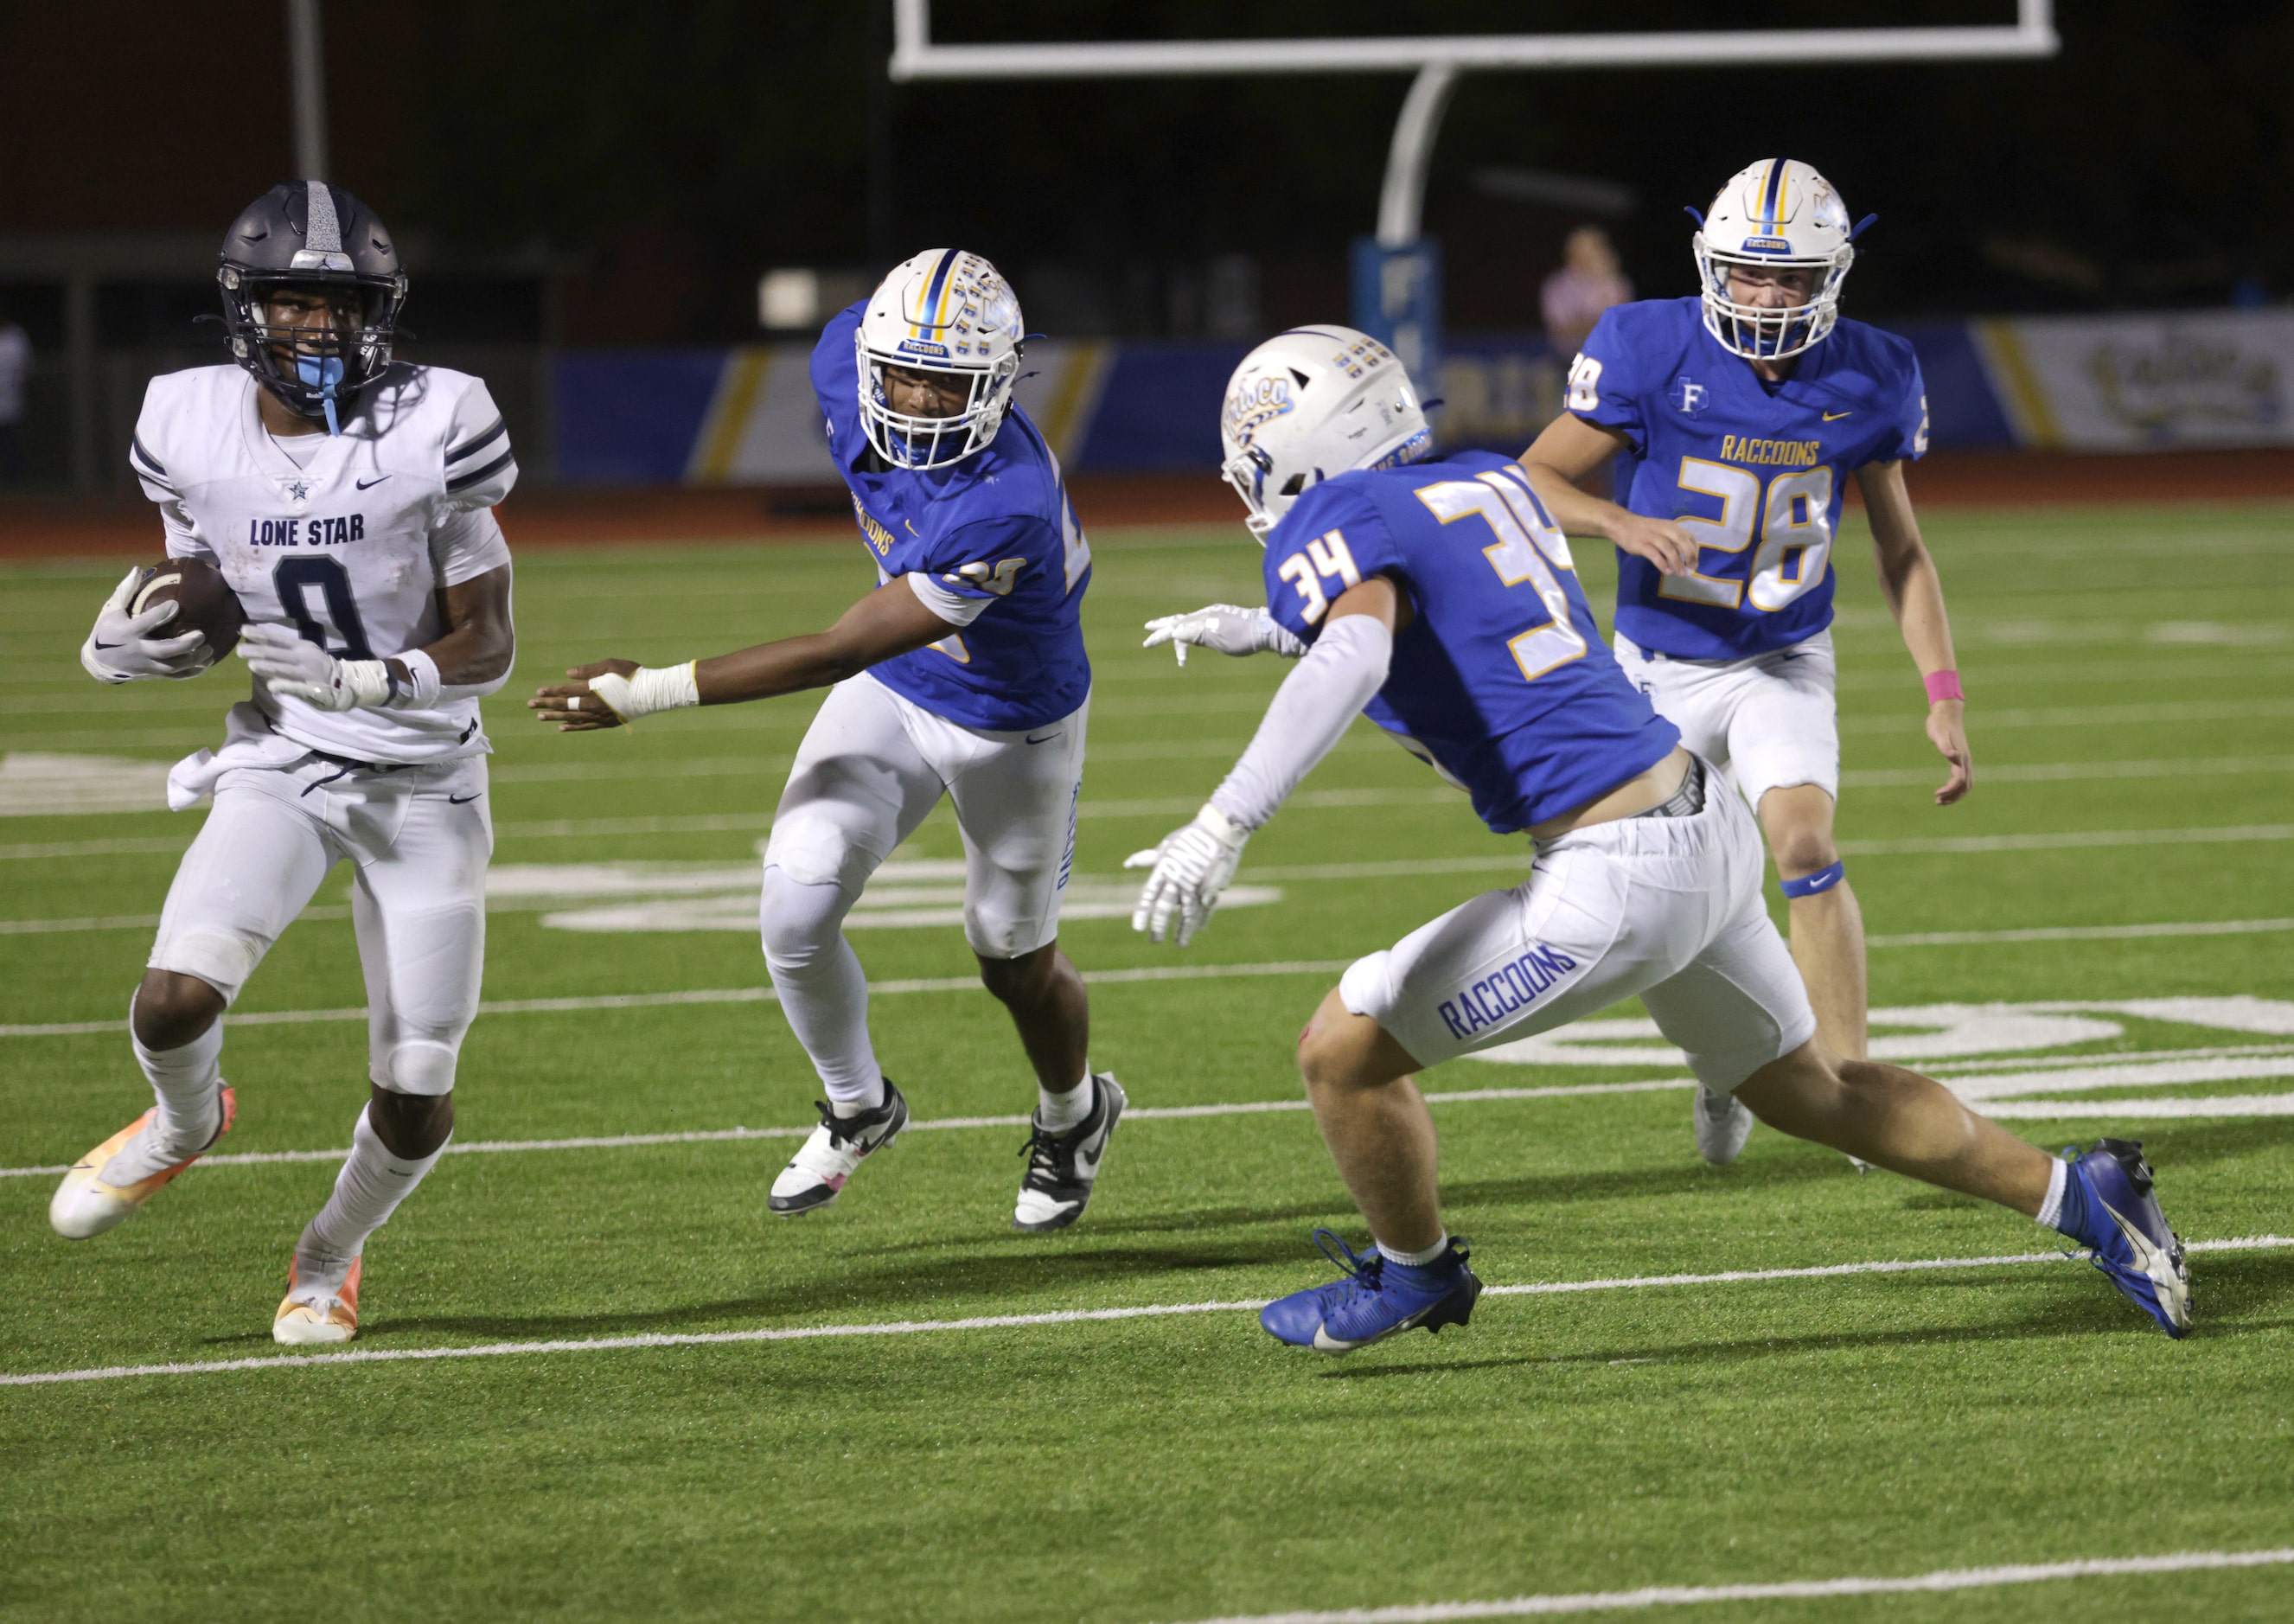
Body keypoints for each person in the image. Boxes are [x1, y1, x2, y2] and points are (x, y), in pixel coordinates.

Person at [1131, 324, 2189, 1352]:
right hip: (1703, 821)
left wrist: (1223, 821)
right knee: (1817, 1092)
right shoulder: (1488, 482)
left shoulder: (1343, 522)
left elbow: (1358, 648)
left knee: (1341, 1053)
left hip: (1618, 873)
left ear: (1301, 454)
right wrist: (1268, 627)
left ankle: (1417, 1272)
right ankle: (2088, 1199)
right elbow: (1456, 615)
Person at [531, 248, 1122, 1232]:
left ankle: (1074, 1114)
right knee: (794, 912)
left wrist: (648, 693)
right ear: (871, 362)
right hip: (899, 692)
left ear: (998, 386)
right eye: (906, 377)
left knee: (1009, 956)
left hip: (1011, 724)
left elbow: (836, 650)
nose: (922, 404)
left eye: (951, 386)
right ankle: (859, 1106)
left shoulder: (1001, 502)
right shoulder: (846, 354)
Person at [50, 182, 519, 1348]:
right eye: (293, 300)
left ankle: (327, 1253)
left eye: (340, 301)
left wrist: (382, 676)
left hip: (426, 780)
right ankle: (185, 1120)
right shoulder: (185, 423)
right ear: (244, 306)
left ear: (381, 309)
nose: (319, 325)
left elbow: (490, 637)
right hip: (287, 760)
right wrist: (143, 644)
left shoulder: (439, 419)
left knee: (415, 1088)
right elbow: (203, 590)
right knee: (173, 999)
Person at [1518, 158, 1970, 1166]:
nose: (1765, 296)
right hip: (1656, 668)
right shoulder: (1644, 343)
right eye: (1747, 274)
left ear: (1832, 278)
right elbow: (1533, 478)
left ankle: (1850, 1092)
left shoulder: (1874, 370)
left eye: (1789, 279)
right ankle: (1727, 1065)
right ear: (1708, 264)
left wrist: (1942, 694)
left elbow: (1902, 550)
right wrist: (1617, 521)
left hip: (1781, 658)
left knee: (1802, 845)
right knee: (1673, 896)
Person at [1539, 225, 1633, 361]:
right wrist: (1593, 324)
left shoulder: (1617, 283)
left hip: (1610, 357)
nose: (1589, 255)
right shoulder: (1556, 285)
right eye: (1582, 248)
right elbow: (1561, 330)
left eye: (1595, 248)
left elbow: (1618, 323)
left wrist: (1605, 282)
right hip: (1566, 358)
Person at [0, 309, 31, 483]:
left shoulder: (15, 338)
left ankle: (15, 482)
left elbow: (25, 370)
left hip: (11, 402)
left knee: (12, 444)